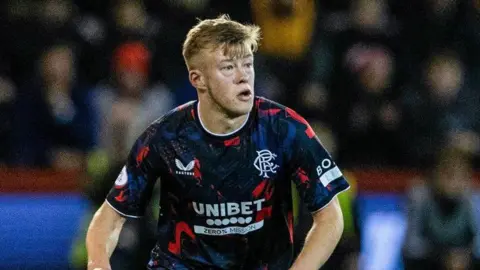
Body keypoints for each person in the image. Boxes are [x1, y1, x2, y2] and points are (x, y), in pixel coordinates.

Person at [86, 15, 350, 270]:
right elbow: (110, 217)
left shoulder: (284, 128)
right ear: (197, 79)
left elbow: (330, 217)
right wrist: (98, 264)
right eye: (228, 67)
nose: (243, 76)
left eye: (247, 64)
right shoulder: (165, 137)